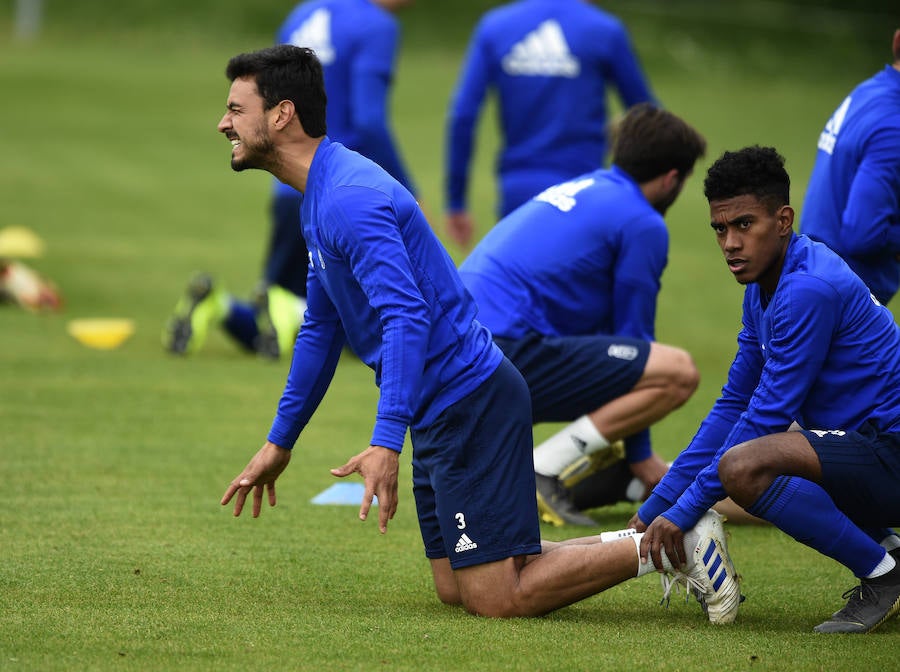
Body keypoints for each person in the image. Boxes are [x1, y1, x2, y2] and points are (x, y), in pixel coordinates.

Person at [215, 44, 741, 622]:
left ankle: (668, 544)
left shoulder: (347, 199)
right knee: (457, 585)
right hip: (442, 406)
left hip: (468, 401)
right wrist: (279, 442)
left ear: (282, 114)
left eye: (237, 110)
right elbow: (319, 327)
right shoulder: (320, 199)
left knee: (495, 596)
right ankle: (665, 540)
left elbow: (407, 316)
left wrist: (387, 441)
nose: (225, 123)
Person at [631, 145, 900, 634]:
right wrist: (656, 508)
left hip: (891, 450)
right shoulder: (765, 285)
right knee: (756, 450)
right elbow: (734, 403)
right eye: (720, 228)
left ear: (782, 220)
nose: (730, 242)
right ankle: (888, 549)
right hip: (867, 447)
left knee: (746, 465)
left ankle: (884, 574)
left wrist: (685, 510)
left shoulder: (806, 289)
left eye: (744, 225)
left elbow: (765, 418)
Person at [458, 103, 705, 527]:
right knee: (676, 371)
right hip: (500, 351)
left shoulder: (589, 186)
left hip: (458, 345)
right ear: (671, 179)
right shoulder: (642, 223)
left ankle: (607, 473)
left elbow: (608, 338)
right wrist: (644, 456)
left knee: (628, 369)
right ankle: (544, 469)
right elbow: (636, 339)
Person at [163, 0, 418, 358]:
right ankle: (287, 311)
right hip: (345, 188)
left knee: (281, 315)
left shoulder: (302, 15)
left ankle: (219, 303)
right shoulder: (376, 25)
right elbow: (369, 120)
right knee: (366, 323)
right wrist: (404, 187)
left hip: (289, 183)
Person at [444, 0, 657, 248]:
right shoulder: (603, 28)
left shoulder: (496, 26)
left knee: (520, 280)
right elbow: (648, 117)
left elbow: (463, 115)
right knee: (578, 284)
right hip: (584, 189)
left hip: (518, 192)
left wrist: (456, 200)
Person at [800, 29, 900, 306]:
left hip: (810, 276)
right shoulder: (894, 126)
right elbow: (862, 235)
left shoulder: (868, 91)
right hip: (845, 300)